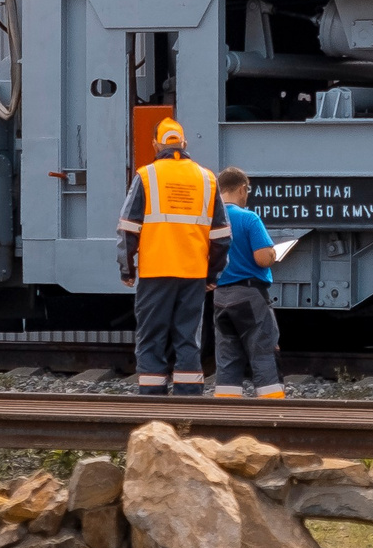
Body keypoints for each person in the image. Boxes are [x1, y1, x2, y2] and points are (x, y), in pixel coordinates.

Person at [116, 117, 229, 396]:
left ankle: (152, 402)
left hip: (155, 272)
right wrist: (212, 274)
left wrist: (127, 268)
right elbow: (222, 236)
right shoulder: (207, 179)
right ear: (184, 144)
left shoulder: (147, 176)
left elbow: (128, 228)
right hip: (193, 273)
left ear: (156, 145)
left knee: (152, 337)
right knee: (188, 337)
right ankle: (188, 399)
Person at [211, 168, 285, 398]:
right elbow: (262, 258)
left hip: (220, 297)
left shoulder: (210, 221)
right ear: (242, 189)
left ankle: (226, 406)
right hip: (250, 295)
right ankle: (272, 407)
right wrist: (273, 253)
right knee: (263, 351)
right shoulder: (248, 218)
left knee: (227, 356)